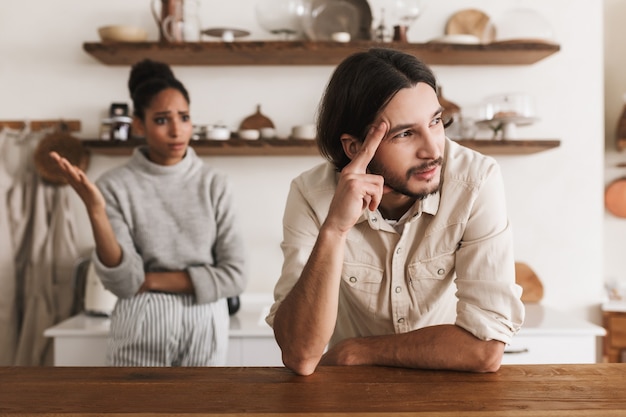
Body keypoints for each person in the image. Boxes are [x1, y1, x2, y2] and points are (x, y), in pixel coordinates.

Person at [265, 48, 525, 376]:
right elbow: (301, 355)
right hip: (350, 397)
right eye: (404, 134)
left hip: (446, 387)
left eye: (435, 122)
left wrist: (356, 351)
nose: (433, 150)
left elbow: (485, 349)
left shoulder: (475, 179)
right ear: (355, 148)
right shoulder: (311, 194)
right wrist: (335, 230)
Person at [50, 59, 247, 366]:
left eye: (184, 117)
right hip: (139, 324)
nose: (176, 130)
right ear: (138, 124)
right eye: (161, 120)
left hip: (206, 324)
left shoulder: (215, 184)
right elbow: (125, 282)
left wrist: (152, 280)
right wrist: (95, 210)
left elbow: (235, 276)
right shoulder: (114, 186)